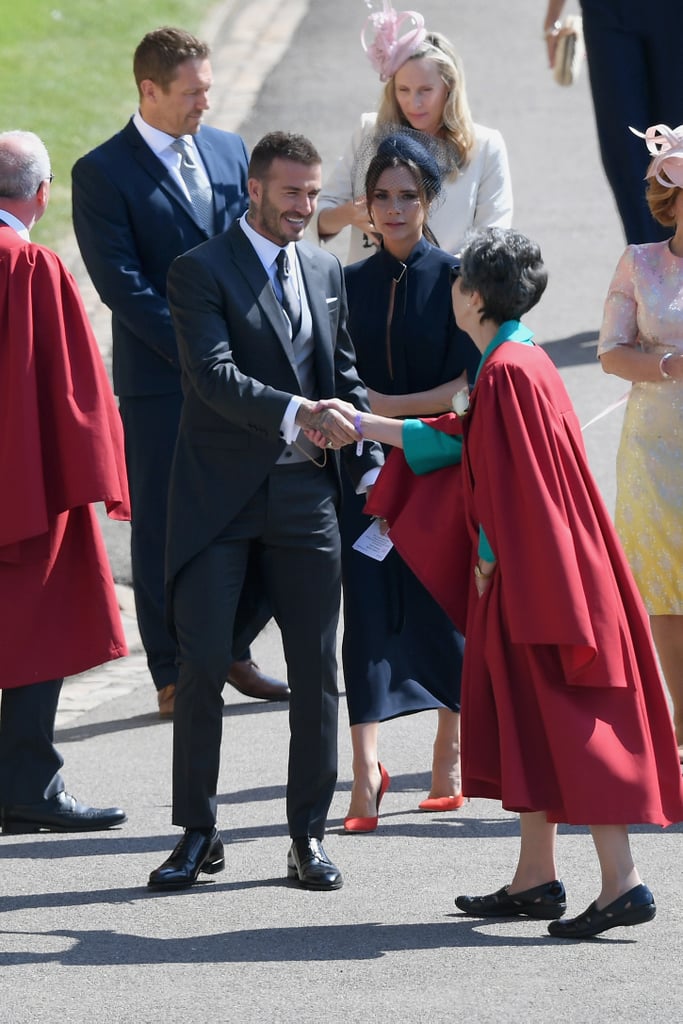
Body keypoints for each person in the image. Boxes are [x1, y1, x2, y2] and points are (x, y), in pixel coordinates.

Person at [317, 226, 683, 939]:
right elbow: (457, 438)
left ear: (476, 297)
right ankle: (535, 877)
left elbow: (523, 488)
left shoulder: (507, 370)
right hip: (543, 568)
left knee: (570, 719)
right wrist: (364, 423)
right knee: (531, 719)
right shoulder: (514, 357)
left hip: (537, 577)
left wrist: (489, 556)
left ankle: (622, 882)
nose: (449, 291)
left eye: (458, 282)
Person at [146, 131, 385, 893]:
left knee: (317, 670)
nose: (305, 208)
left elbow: (342, 372)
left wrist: (355, 431)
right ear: (254, 190)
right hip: (218, 499)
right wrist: (299, 411)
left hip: (304, 498)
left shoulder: (323, 269)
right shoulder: (198, 271)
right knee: (203, 664)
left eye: (314, 194)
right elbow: (211, 378)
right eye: (291, 193)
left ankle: (306, 838)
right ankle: (197, 831)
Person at [72, 26, 288, 719]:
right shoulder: (103, 173)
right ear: (150, 91)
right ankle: (171, 670)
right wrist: (201, 353)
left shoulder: (227, 149)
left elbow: (251, 245)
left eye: (208, 89)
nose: (204, 102)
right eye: (192, 92)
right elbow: (122, 286)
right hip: (163, 380)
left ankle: (231, 646)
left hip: (241, 374)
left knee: (267, 510)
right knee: (166, 523)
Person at [340, 132, 480, 832]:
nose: (394, 209)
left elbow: (468, 385)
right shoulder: (345, 283)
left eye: (408, 197)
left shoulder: (455, 279)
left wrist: (383, 410)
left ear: (429, 203)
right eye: (382, 197)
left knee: (441, 606)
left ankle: (447, 750)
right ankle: (364, 769)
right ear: (366, 206)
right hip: (362, 474)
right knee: (364, 610)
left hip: (437, 467)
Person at [0, 130, 129, 834]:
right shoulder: (32, 267)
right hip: (22, 481)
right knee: (33, 629)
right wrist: (99, 473)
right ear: (42, 195)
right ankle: (26, 786)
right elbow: (74, 389)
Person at [597, 123, 683, 760]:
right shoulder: (640, 261)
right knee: (665, 592)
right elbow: (609, 353)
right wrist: (667, 367)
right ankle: (681, 728)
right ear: (670, 199)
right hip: (654, 452)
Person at [311, 3, 512, 263]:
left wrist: (440, 275)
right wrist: (350, 214)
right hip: (370, 290)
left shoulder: (485, 146)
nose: (414, 103)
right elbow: (318, 218)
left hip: (446, 292)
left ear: (448, 88)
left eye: (425, 91)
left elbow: (493, 236)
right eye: (403, 90)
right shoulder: (369, 132)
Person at [543, 0, 683, 244]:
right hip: (608, 11)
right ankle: (650, 270)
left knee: (678, 151)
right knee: (626, 155)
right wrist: (552, 18)